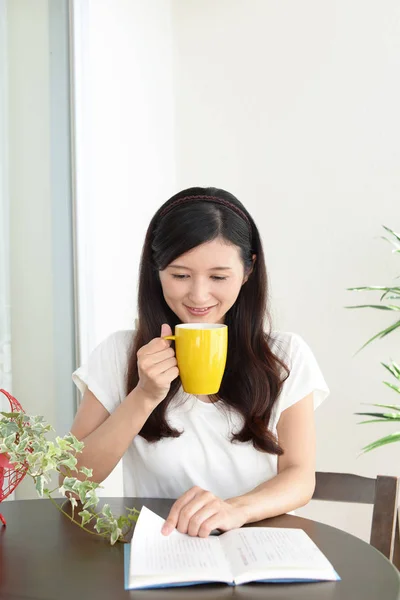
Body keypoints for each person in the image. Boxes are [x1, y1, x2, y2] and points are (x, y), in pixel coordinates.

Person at [69, 186, 329, 538]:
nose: (199, 295)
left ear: (249, 269)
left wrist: (233, 509)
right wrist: (144, 395)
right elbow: (72, 478)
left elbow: (299, 476)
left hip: (261, 554)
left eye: (219, 277)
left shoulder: (285, 356)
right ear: (156, 269)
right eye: (180, 275)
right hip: (161, 554)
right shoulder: (121, 354)